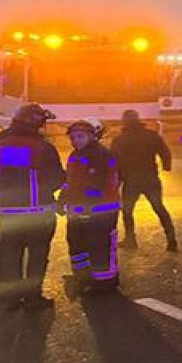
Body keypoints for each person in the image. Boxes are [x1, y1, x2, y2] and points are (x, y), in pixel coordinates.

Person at [0, 104, 65, 311]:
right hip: (39, 212)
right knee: (37, 255)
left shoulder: (0, 146)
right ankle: (32, 298)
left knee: (12, 255)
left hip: (8, 212)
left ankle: (13, 297)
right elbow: (57, 178)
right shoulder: (43, 148)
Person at [60, 118, 121, 294]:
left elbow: (98, 183)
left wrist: (87, 203)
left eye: (80, 137)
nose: (76, 141)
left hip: (101, 211)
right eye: (73, 138)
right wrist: (62, 199)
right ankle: (83, 277)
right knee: (77, 243)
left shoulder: (101, 154)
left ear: (91, 136)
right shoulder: (75, 155)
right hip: (80, 210)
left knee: (100, 245)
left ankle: (106, 282)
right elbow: (71, 181)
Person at [110, 109, 178, 252]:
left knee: (127, 211)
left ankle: (130, 239)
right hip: (150, 179)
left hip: (131, 181)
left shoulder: (120, 140)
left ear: (124, 122)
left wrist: (116, 181)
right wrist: (167, 166)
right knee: (159, 207)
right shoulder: (151, 135)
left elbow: (114, 162)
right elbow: (164, 151)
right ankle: (171, 239)